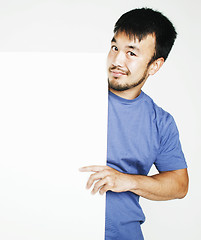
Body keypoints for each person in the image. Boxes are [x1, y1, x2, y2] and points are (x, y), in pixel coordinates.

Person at [79, 7, 189, 240]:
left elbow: (179, 184)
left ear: (154, 65)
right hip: (56, 227)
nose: (117, 60)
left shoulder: (161, 122)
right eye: (115, 47)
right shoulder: (73, 94)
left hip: (123, 234)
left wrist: (126, 180)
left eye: (131, 53)